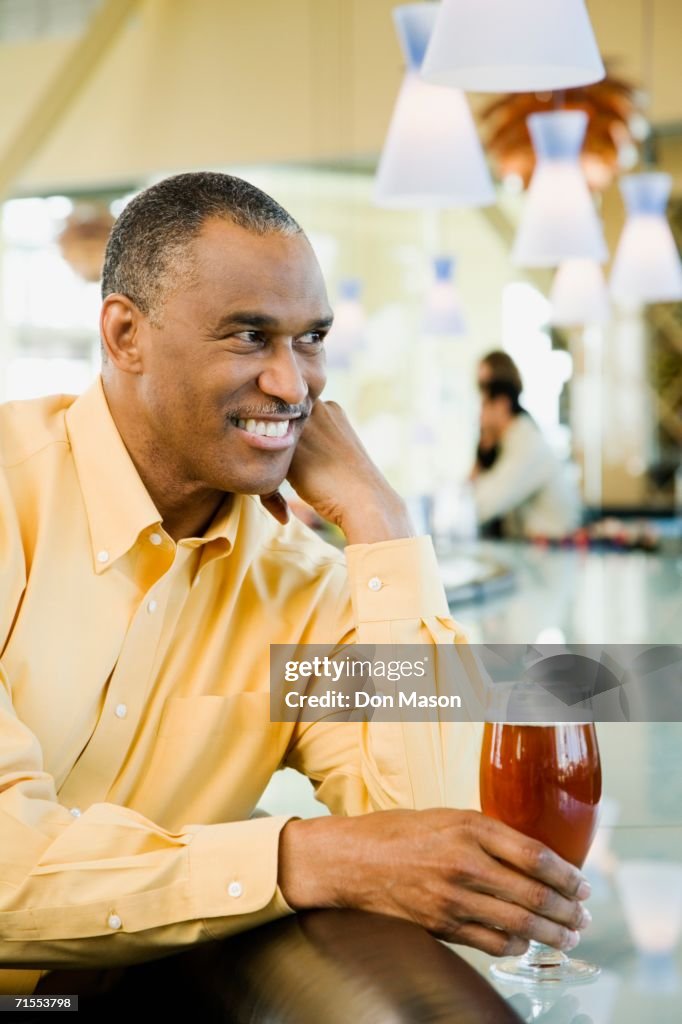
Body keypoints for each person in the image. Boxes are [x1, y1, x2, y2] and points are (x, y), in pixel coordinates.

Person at [0, 174, 591, 997]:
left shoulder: (302, 589)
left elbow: (449, 837)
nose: (293, 384)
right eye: (249, 337)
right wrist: (301, 856)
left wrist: (381, 524)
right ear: (125, 334)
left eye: (310, 338)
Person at [471, 351, 580, 539]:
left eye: (483, 400)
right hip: (533, 554)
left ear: (502, 404)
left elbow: (481, 507)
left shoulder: (527, 443)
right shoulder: (509, 441)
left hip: (555, 555)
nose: (479, 415)